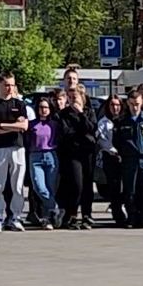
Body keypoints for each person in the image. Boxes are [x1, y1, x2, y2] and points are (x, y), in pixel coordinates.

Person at [0, 72, 31, 231]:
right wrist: (11, 127)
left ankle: (15, 217)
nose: (10, 88)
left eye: (12, 85)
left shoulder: (20, 104)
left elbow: (23, 127)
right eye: (7, 85)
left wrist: (0, 125)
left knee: (17, 185)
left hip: (17, 148)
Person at [56, 86, 101, 228]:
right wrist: (82, 133)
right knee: (76, 184)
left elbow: (91, 128)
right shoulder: (63, 114)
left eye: (74, 97)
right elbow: (66, 132)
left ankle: (87, 214)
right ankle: (72, 214)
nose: (72, 100)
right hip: (72, 154)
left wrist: (81, 114)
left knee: (88, 185)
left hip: (87, 153)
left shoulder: (89, 112)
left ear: (82, 97)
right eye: (69, 98)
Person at [115, 90, 143, 226]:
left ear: (142, 103)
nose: (135, 107)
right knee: (130, 189)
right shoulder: (121, 121)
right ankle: (131, 216)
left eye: (137, 104)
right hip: (129, 159)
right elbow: (117, 141)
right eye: (132, 104)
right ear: (128, 103)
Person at [26, 96, 60, 228]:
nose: (44, 110)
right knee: (39, 187)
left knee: (50, 189)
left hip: (51, 155)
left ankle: (47, 219)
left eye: (46, 107)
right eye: (41, 107)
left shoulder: (55, 124)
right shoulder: (32, 124)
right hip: (35, 157)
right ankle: (55, 208)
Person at [95, 94, 128, 226]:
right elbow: (103, 141)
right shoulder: (103, 122)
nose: (115, 108)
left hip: (126, 158)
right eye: (112, 105)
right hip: (111, 158)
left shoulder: (125, 120)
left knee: (125, 188)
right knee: (114, 188)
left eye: (118, 105)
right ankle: (117, 214)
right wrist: (114, 152)